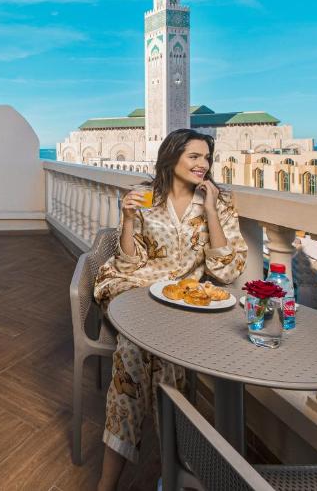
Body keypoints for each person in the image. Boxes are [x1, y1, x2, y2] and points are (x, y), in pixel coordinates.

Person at [94, 129, 248, 491]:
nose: (202, 164)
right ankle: (112, 481)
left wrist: (210, 210)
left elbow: (226, 270)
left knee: (166, 360)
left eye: (207, 158)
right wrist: (128, 219)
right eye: (194, 156)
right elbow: (129, 265)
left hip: (181, 299)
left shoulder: (219, 202)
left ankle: (173, 470)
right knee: (132, 354)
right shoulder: (146, 197)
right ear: (172, 157)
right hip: (134, 291)